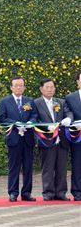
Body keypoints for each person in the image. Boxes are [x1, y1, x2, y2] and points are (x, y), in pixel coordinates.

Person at [0, 76, 38, 202]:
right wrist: (15, 123)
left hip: (27, 138)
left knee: (28, 166)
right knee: (14, 166)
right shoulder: (5, 101)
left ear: (24, 87)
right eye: (16, 85)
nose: (18, 87)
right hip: (14, 138)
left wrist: (31, 122)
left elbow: (35, 115)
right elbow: (1, 118)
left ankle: (26, 192)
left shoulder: (29, 101)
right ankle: (13, 192)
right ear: (11, 87)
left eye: (21, 85)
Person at [34, 78, 73, 201]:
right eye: (47, 87)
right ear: (41, 89)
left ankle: (61, 192)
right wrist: (46, 126)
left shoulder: (61, 102)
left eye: (52, 87)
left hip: (61, 139)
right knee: (48, 167)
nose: (50, 89)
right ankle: (48, 192)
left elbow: (69, 113)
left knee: (62, 167)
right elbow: (35, 119)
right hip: (46, 139)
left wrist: (69, 119)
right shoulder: (36, 103)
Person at [65, 72, 81, 201]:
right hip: (78, 137)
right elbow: (68, 114)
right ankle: (77, 191)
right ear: (77, 81)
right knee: (77, 164)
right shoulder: (70, 98)